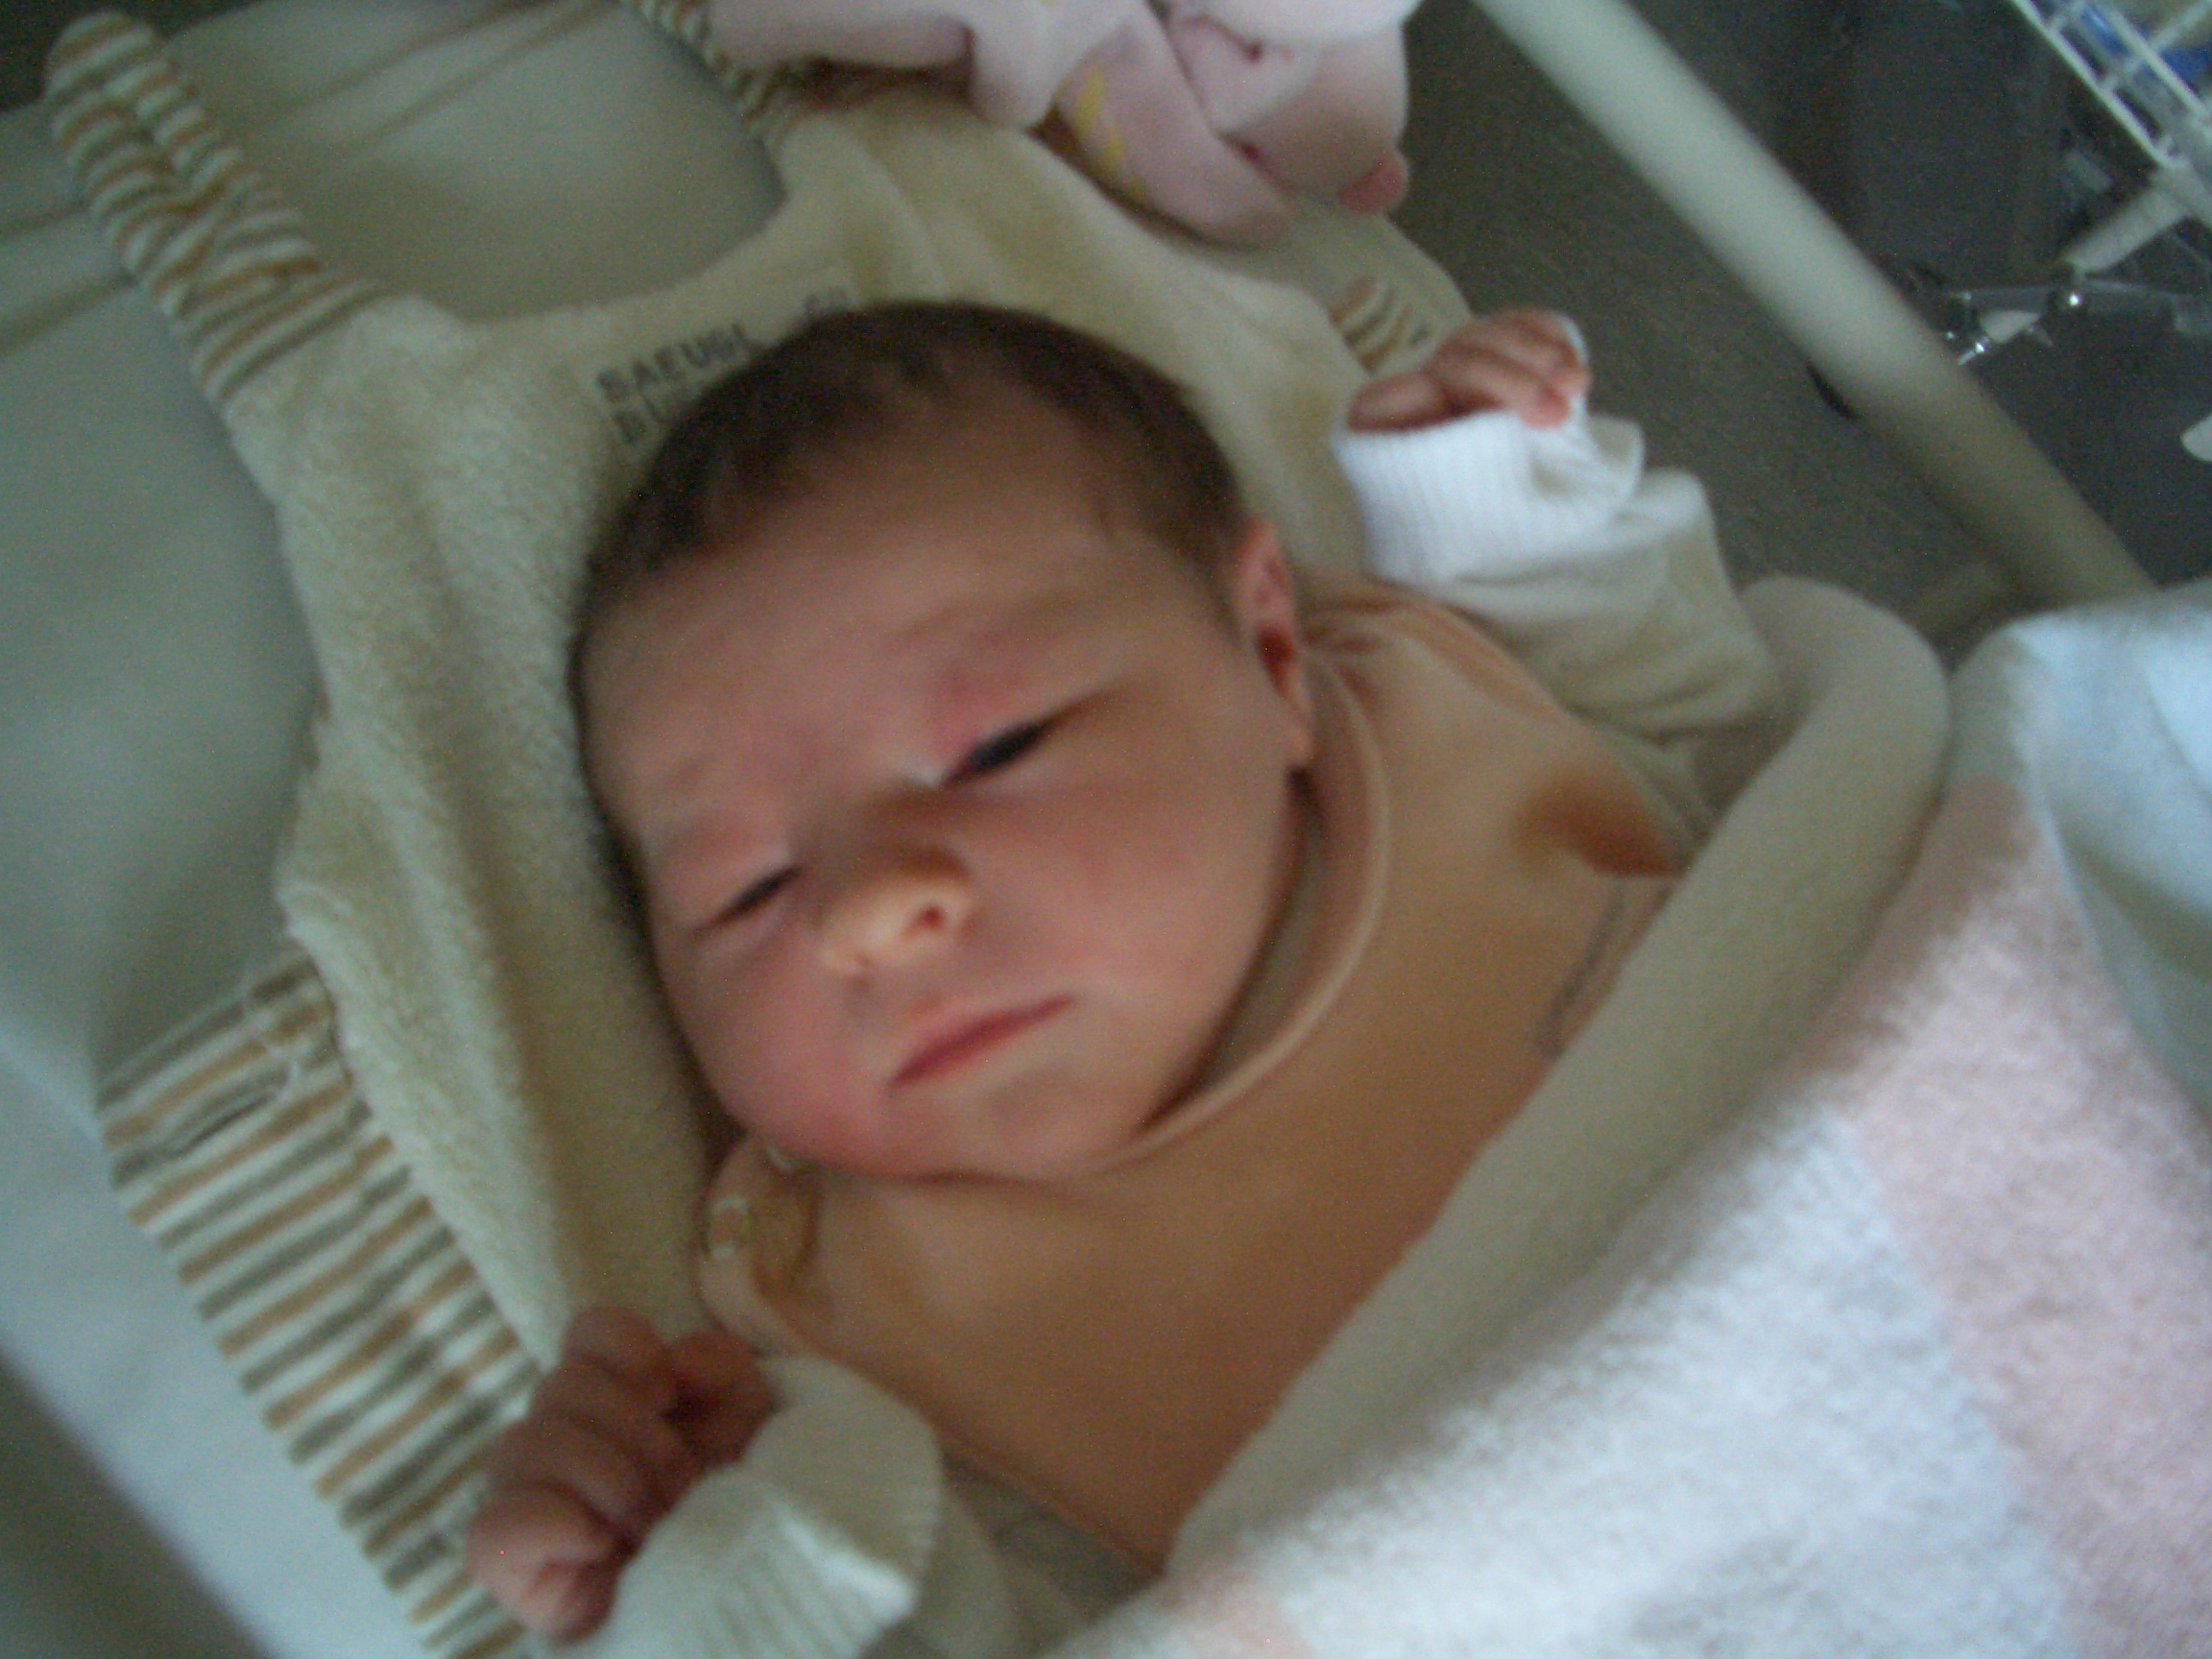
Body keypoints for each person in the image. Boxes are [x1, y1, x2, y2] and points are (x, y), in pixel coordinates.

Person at [466, 301, 1782, 1640]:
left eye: (993, 751)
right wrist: (711, 1547)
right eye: (746, 890)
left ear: (1271, 655)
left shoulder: (1431, 722)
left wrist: (1499, 508)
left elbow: (1728, 754)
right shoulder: (880, 1346)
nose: (867, 913)